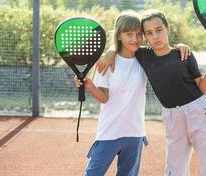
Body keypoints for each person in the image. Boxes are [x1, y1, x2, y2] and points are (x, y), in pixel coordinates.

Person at [98, 9, 206, 176]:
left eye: (159, 30)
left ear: (167, 29)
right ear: (145, 36)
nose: (155, 36)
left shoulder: (184, 54)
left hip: (199, 112)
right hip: (172, 118)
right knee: (174, 170)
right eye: (149, 33)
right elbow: (123, 41)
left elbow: (202, 88)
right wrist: (110, 51)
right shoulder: (144, 55)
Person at [75, 10, 191, 176]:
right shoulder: (107, 62)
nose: (135, 39)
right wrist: (90, 85)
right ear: (119, 36)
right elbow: (104, 98)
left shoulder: (144, 59)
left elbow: (165, 50)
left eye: (138, 34)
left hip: (135, 134)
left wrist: (181, 46)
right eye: (129, 34)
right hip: (109, 132)